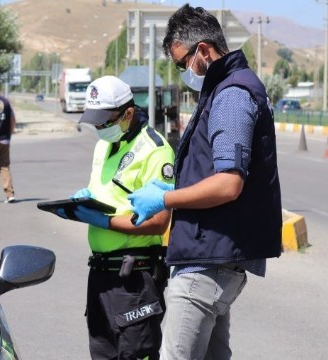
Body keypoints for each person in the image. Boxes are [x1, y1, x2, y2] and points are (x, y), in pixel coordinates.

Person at [127, 4, 282, 359]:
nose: (183, 72)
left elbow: (228, 183)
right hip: (211, 255)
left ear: (203, 50)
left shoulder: (230, 95)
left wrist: (167, 200)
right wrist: (175, 191)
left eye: (183, 63)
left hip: (206, 264)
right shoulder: (224, 89)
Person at [56, 75, 175, 360]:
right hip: (100, 274)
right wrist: (79, 207)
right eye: (95, 122)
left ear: (128, 113)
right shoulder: (103, 146)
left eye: (104, 121)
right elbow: (107, 195)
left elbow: (159, 221)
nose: (99, 128)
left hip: (133, 278)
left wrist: (105, 222)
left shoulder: (155, 149)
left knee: (135, 354)